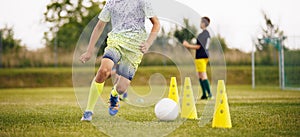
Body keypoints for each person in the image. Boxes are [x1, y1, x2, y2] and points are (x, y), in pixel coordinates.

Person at [79, 0, 160, 121]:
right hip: (115, 41)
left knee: (122, 88)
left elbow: (156, 24)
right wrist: (89, 51)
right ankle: (88, 111)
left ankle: (114, 95)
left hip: (135, 48)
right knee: (103, 71)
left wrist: (148, 43)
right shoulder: (111, 2)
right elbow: (99, 26)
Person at [182, 17, 212, 100]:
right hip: (203, 56)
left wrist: (188, 45)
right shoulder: (206, 34)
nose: (200, 24)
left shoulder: (203, 34)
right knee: (200, 75)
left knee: (203, 74)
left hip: (201, 56)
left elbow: (199, 46)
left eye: (201, 22)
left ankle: (209, 94)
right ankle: (204, 94)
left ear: (203, 23)